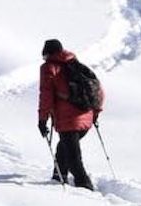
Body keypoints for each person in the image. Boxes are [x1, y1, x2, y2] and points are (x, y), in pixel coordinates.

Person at [37, 38, 101, 190]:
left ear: (47, 54)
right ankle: (58, 177)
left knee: (74, 159)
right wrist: (95, 113)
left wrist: (42, 120)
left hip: (68, 120)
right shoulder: (75, 64)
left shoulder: (48, 68)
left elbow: (46, 96)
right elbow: (98, 90)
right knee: (64, 147)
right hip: (87, 117)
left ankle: (86, 188)